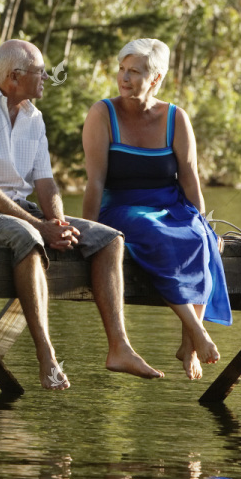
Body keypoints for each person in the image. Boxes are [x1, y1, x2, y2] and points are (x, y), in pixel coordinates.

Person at [0, 39, 164, 390]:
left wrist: (58, 223)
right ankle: (46, 356)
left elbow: (45, 184)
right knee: (29, 238)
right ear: (14, 77)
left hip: (19, 211)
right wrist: (39, 228)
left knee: (109, 239)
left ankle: (119, 347)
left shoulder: (34, 118)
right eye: (40, 71)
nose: (47, 77)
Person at [82, 38, 232, 380]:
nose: (124, 77)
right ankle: (197, 330)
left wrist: (204, 221)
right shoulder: (102, 114)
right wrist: (86, 232)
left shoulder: (176, 118)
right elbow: (95, 182)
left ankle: (188, 343)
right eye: (121, 69)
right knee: (156, 233)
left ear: (156, 79)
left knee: (198, 237)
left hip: (170, 205)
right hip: (121, 209)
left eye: (134, 71)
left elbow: (190, 178)